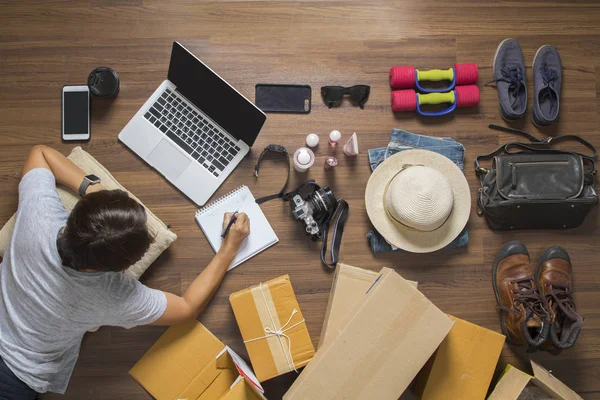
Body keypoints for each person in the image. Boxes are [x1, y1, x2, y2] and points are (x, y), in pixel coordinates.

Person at [0, 145, 250, 399]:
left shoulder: (39, 215)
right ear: (120, 269)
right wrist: (228, 249)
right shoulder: (112, 295)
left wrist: (94, 192)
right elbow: (186, 308)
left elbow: (39, 153)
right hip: (14, 376)